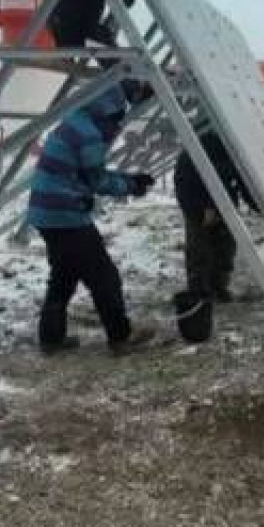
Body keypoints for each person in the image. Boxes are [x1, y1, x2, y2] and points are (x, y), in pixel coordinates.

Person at [26, 82, 155, 356]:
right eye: (119, 113)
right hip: (65, 213)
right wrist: (132, 184)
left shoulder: (77, 119)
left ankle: (51, 338)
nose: (120, 119)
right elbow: (95, 179)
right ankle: (121, 337)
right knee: (103, 276)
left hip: (45, 210)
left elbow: (87, 172)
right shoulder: (89, 133)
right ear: (109, 109)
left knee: (64, 273)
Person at [171, 132, 257, 343]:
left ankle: (219, 287)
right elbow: (185, 185)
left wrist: (259, 206)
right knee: (199, 250)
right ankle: (199, 292)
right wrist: (202, 210)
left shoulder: (229, 152)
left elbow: (241, 181)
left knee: (225, 248)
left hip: (224, 206)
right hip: (197, 206)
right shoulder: (193, 154)